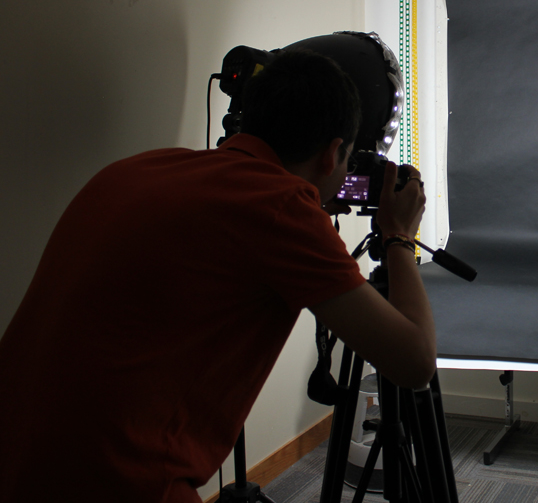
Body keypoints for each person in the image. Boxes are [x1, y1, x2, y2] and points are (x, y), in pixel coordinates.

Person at [0, 48, 434, 502]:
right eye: (349, 161)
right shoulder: (281, 208)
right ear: (331, 155)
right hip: (114, 481)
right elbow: (414, 363)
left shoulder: (131, 171)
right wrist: (399, 237)